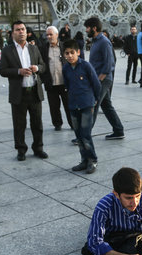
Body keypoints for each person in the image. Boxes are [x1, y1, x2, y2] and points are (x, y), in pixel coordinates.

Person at [0, 20, 48, 161]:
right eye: (18, 30)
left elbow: (43, 65)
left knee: (37, 123)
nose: (21, 32)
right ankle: (21, 149)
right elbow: (2, 70)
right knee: (19, 124)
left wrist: (37, 68)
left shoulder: (33, 48)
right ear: (13, 33)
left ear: (27, 32)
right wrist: (19, 71)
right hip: (18, 93)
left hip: (34, 91)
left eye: (23, 29)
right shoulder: (7, 50)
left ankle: (38, 148)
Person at [62, 39, 101, 174]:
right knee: (78, 136)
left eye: (72, 52)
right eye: (67, 53)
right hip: (73, 105)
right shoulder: (65, 68)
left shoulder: (86, 66)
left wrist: (95, 100)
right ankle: (84, 160)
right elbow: (67, 85)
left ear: (78, 52)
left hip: (86, 104)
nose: (70, 56)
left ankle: (92, 160)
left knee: (85, 135)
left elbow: (96, 84)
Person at [84, 17, 125, 140]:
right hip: (98, 79)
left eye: (87, 27)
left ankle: (84, 135)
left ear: (94, 28)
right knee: (106, 105)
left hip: (103, 79)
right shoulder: (96, 41)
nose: (86, 30)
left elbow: (109, 64)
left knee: (93, 104)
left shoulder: (104, 41)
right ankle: (118, 130)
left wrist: (98, 80)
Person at [40, 26, 72, 131]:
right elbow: (41, 63)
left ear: (57, 35)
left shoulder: (64, 46)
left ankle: (72, 123)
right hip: (51, 82)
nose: (49, 37)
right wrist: (44, 79)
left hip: (64, 81)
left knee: (68, 104)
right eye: (47, 35)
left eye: (51, 34)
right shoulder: (44, 48)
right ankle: (57, 124)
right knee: (54, 106)